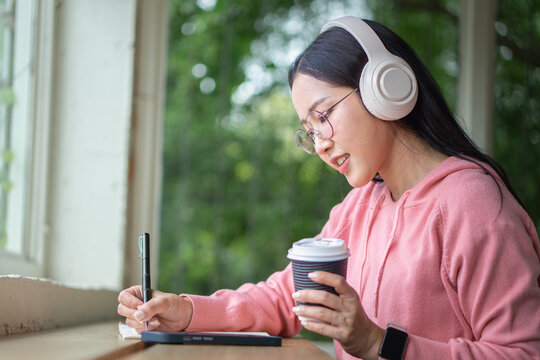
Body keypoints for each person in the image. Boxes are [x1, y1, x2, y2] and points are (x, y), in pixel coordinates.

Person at [117, 16, 540, 360]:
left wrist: (379, 344)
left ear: (384, 88)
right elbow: (286, 298)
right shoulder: (357, 210)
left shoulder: (472, 202)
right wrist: (185, 310)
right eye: (308, 131)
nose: (319, 143)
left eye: (323, 115)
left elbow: (521, 352)